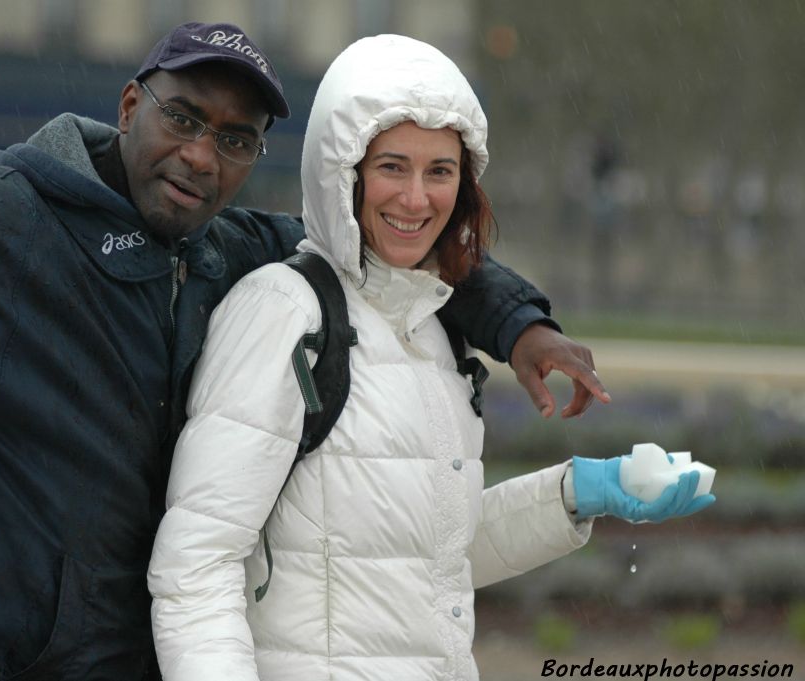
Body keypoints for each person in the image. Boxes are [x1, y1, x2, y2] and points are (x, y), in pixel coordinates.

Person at [0, 22, 603, 681]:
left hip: (112, 658)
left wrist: (521, 323)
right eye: (184, 119)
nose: (203, 155)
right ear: (131, 103)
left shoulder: (230, 250)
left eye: (236, 139)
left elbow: (393, 245)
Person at [147, 34, 713, 681]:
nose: (417, 199)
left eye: (439, 171)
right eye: (393, 166)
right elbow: (196, 567)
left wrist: (578, 493)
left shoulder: (436, 329)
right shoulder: (283, 311)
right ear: (343, 171)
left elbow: (425, 557)